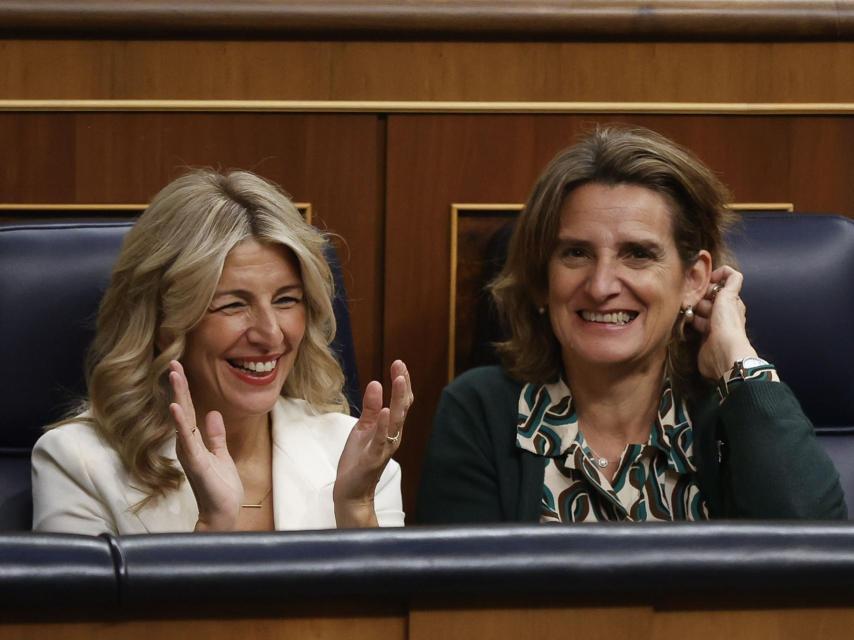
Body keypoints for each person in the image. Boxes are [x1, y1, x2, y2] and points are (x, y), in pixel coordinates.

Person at [417, 126, 846, 523]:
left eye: (638, 254)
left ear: (693, 280)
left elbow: (819, 562)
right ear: (541, 279)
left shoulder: (730, 413)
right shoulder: (480, 411)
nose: (601, 285)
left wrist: (739, 361)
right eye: (576, 253)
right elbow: (459, 599)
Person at [32, 169, 413, 535]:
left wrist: (356, 510)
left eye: (286, 300)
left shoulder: (355, 456)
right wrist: (212, 527)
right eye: (233, 305)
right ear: (165, 324)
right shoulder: (78, 463)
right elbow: (77, 606)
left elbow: (392, 603)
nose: (269, 334)